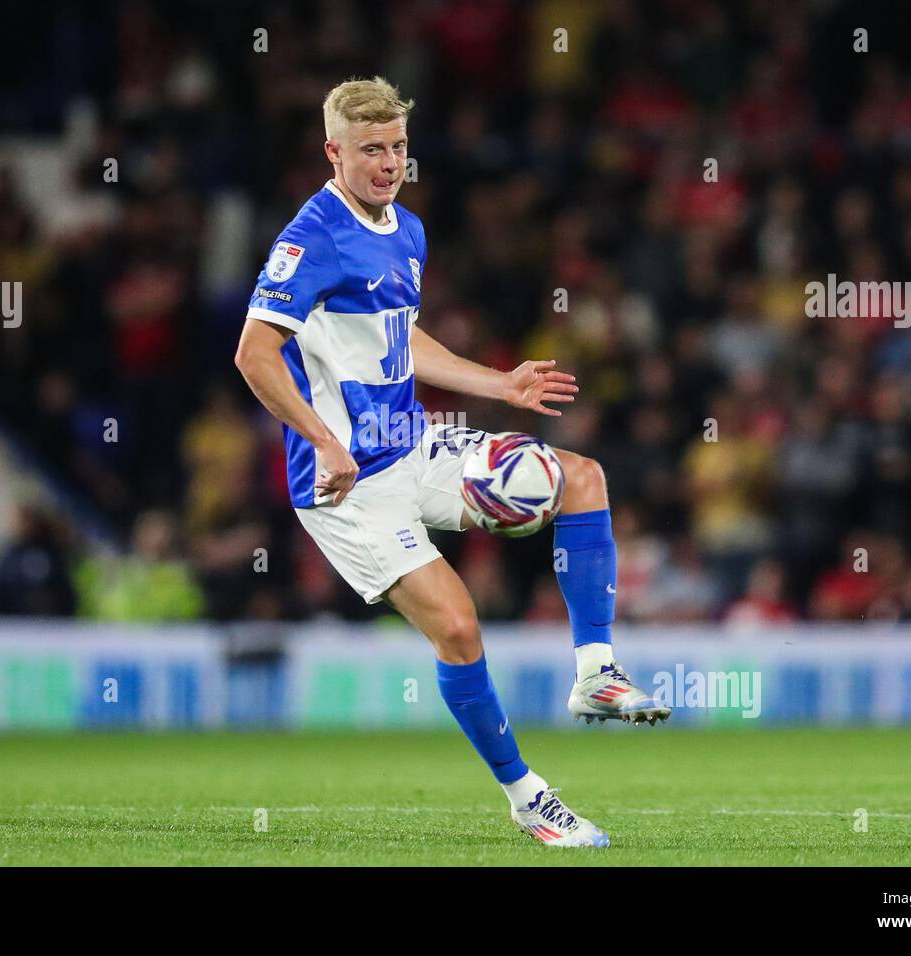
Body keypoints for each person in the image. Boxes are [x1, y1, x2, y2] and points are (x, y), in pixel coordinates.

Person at [234, 77, 668, 848]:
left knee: (584, 480)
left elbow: (403, 337)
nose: (389, 162)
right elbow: (254, 353)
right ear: (334, 152)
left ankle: (597, 673)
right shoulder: (309, 239)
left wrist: (497, 382)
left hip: (413, 446)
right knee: (460, 628)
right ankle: (531, 799)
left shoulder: (408, 230)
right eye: (371, 150)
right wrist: (325, 440)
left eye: (398, 147)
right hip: (347, 486)